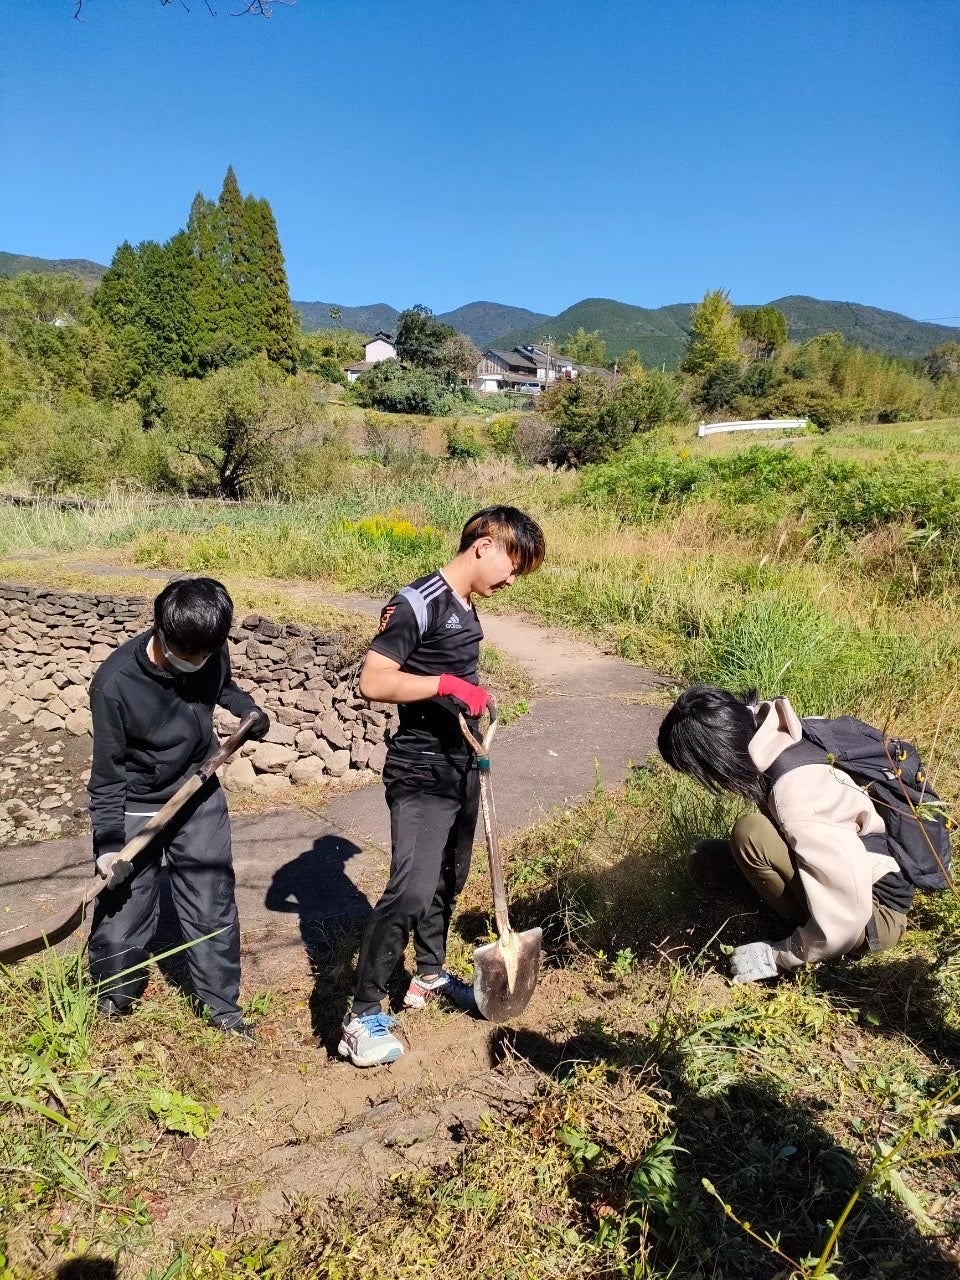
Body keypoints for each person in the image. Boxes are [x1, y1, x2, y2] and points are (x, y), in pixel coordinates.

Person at [338, 506, 546, 1067]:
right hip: (420, 769)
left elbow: (451, 682)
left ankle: (428, 975)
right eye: (511, 567)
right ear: (483, 546)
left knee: (450, 878)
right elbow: (373, 680)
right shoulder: (416, 602)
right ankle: (361, 1014)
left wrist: (474, 698)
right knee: (410, 887)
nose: (510, 581)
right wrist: (448, 684)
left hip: (461, 762)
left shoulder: (466, 605)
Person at [87, 577, 269, 1035]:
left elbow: (223, 687)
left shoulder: (208, 644)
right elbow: (106, 777)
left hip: (198, 790)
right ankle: (113, 998)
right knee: (123, 910)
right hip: (138, 803)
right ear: (161, 632)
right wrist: (108, 845)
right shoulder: (114, 685)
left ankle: (222, 1009)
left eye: (205, 656)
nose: (197, 665)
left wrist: (248, 709)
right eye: (186, 656)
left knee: (212, 904)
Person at [657, 686, 918, 983]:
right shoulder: (773, 733)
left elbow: (846, 920)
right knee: (706, 860)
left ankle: (797, 940)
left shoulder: (798, 793)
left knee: (751, 834)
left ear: (716, 759)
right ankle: (780, 922)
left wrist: (779, 955)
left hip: (875, 917)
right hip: (854, 877)